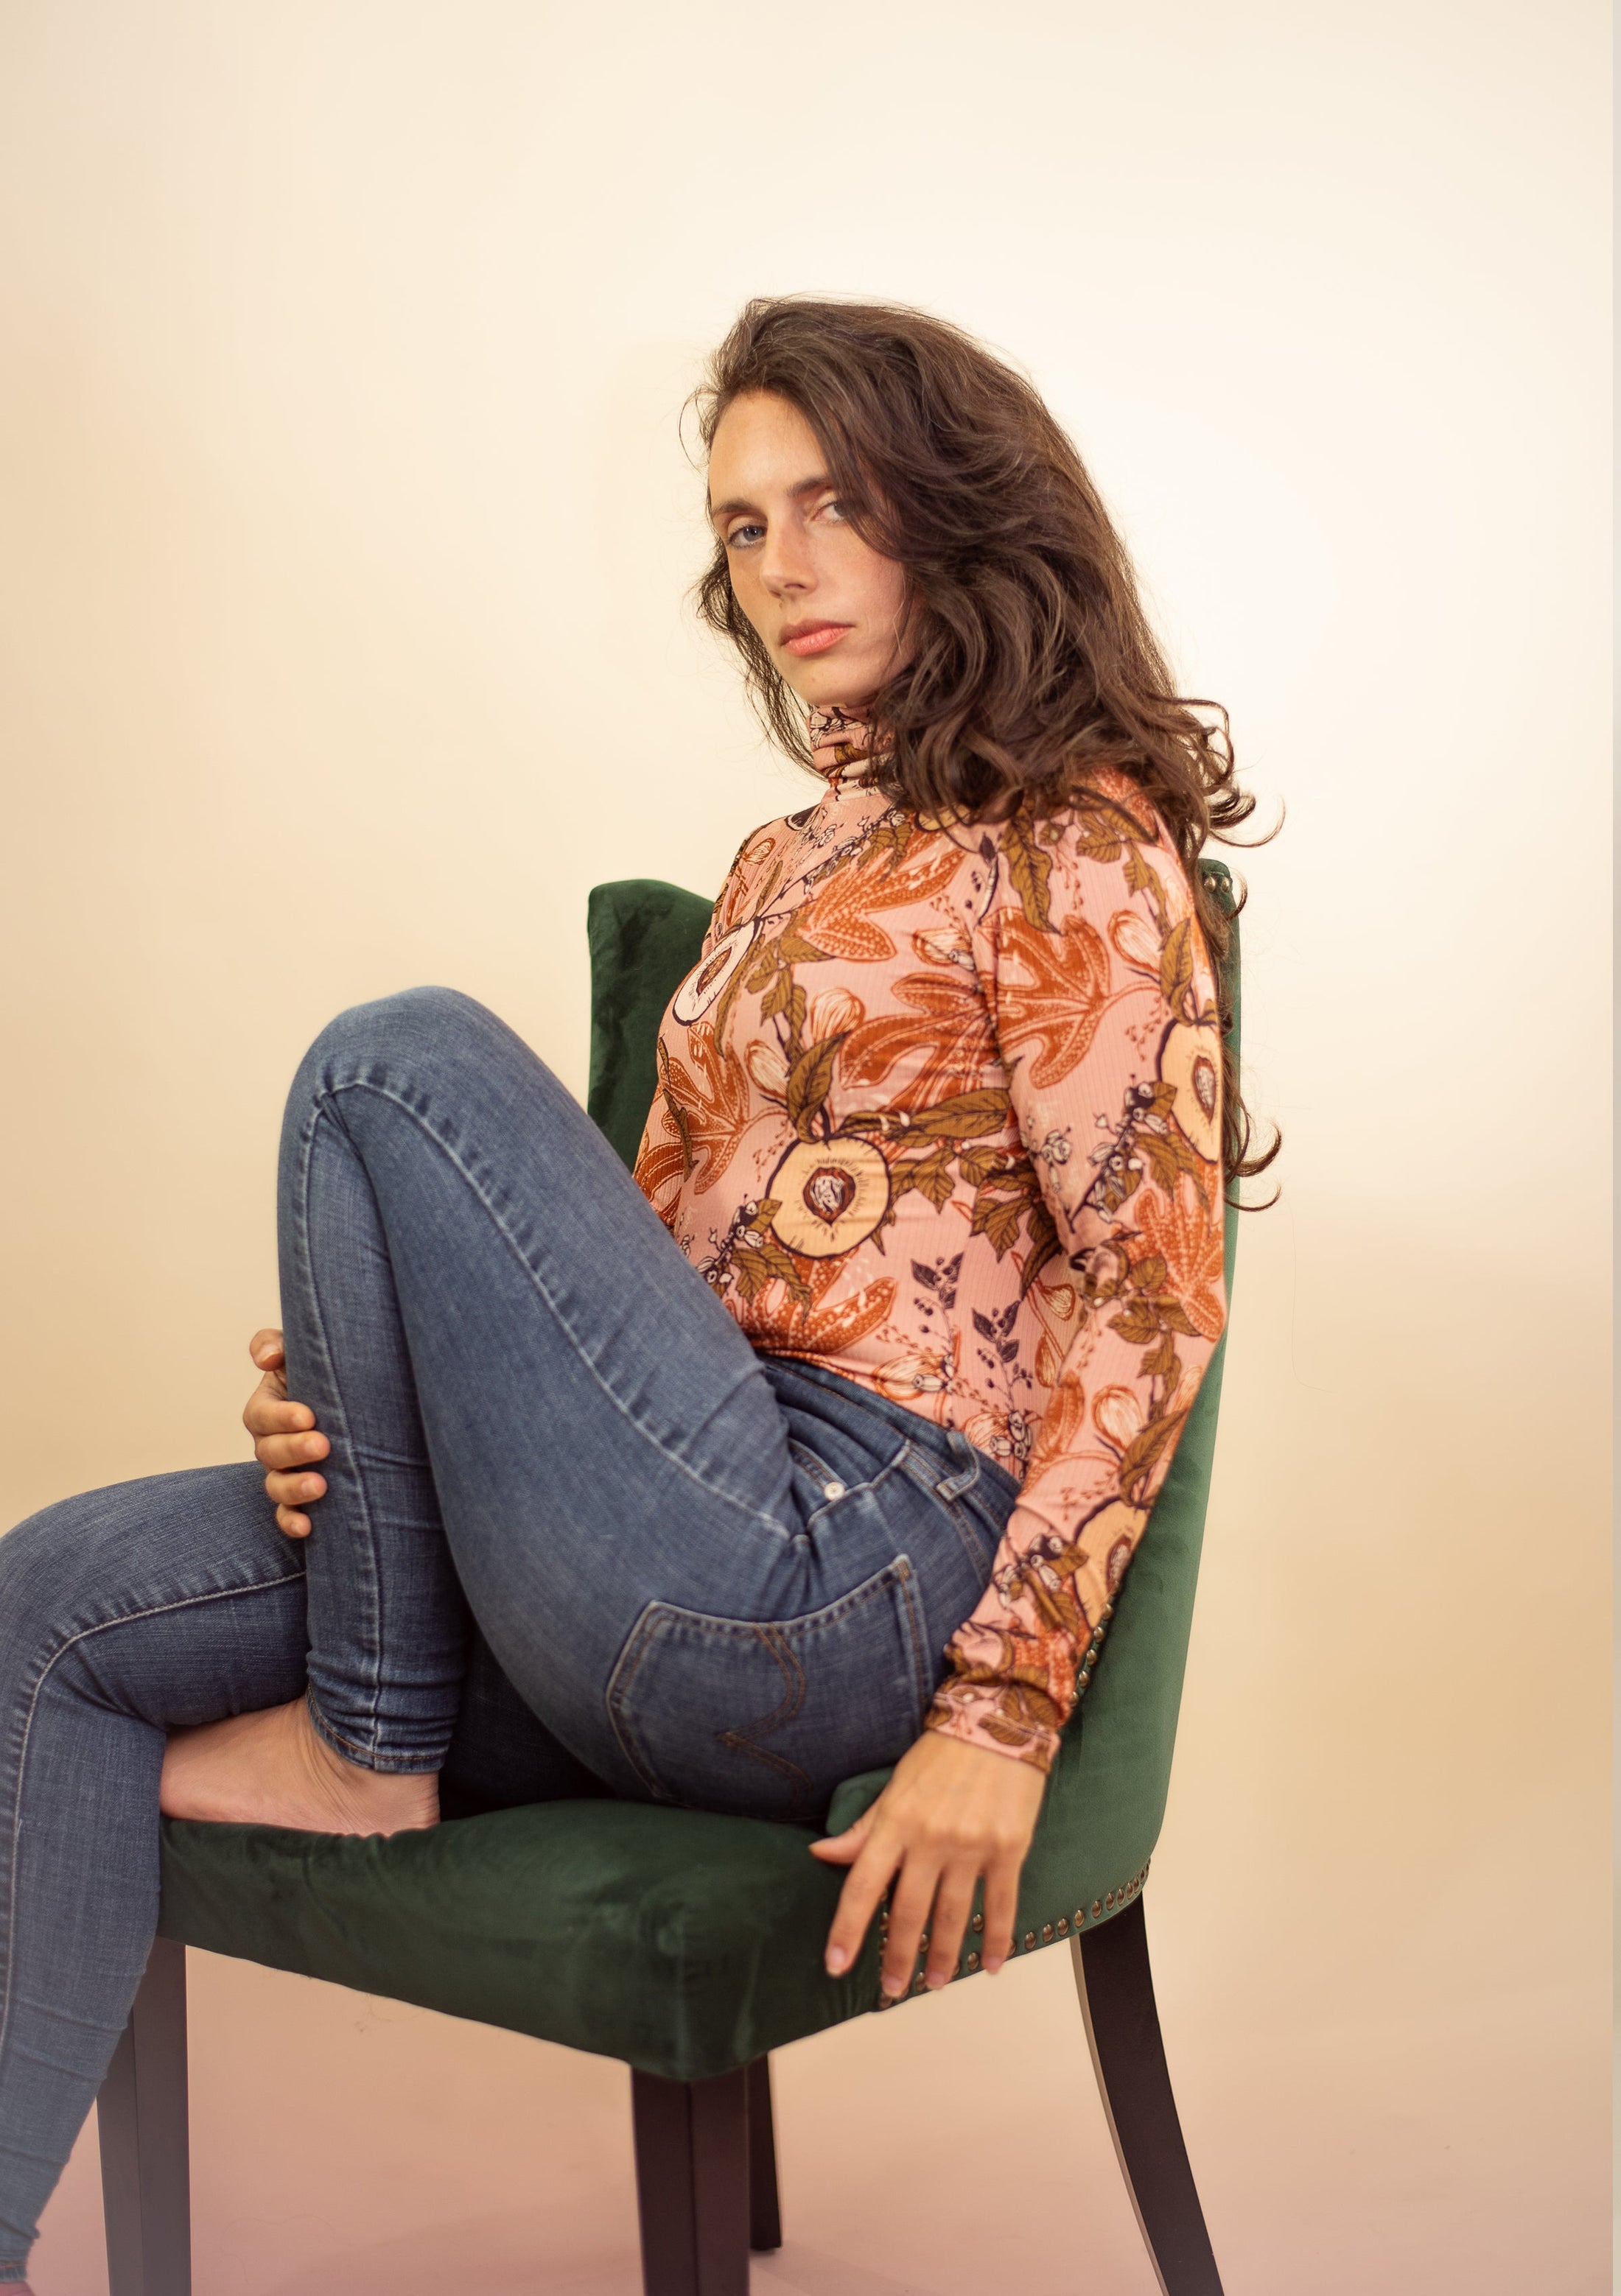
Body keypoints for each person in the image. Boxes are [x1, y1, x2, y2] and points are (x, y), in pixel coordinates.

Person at [0, 295, 1270, 2289]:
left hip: (843, 1566)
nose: (781, 567)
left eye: (833, 503)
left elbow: (1153, 1292)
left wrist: (1006, 1721)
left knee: (393, 1063)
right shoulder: (779, 867)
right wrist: (376, 1382)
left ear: (960, 506)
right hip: (661, 1513)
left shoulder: (1075, 839)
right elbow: (641, 1275)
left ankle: (367, 1751)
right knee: (52, 1601)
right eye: (744, 527)